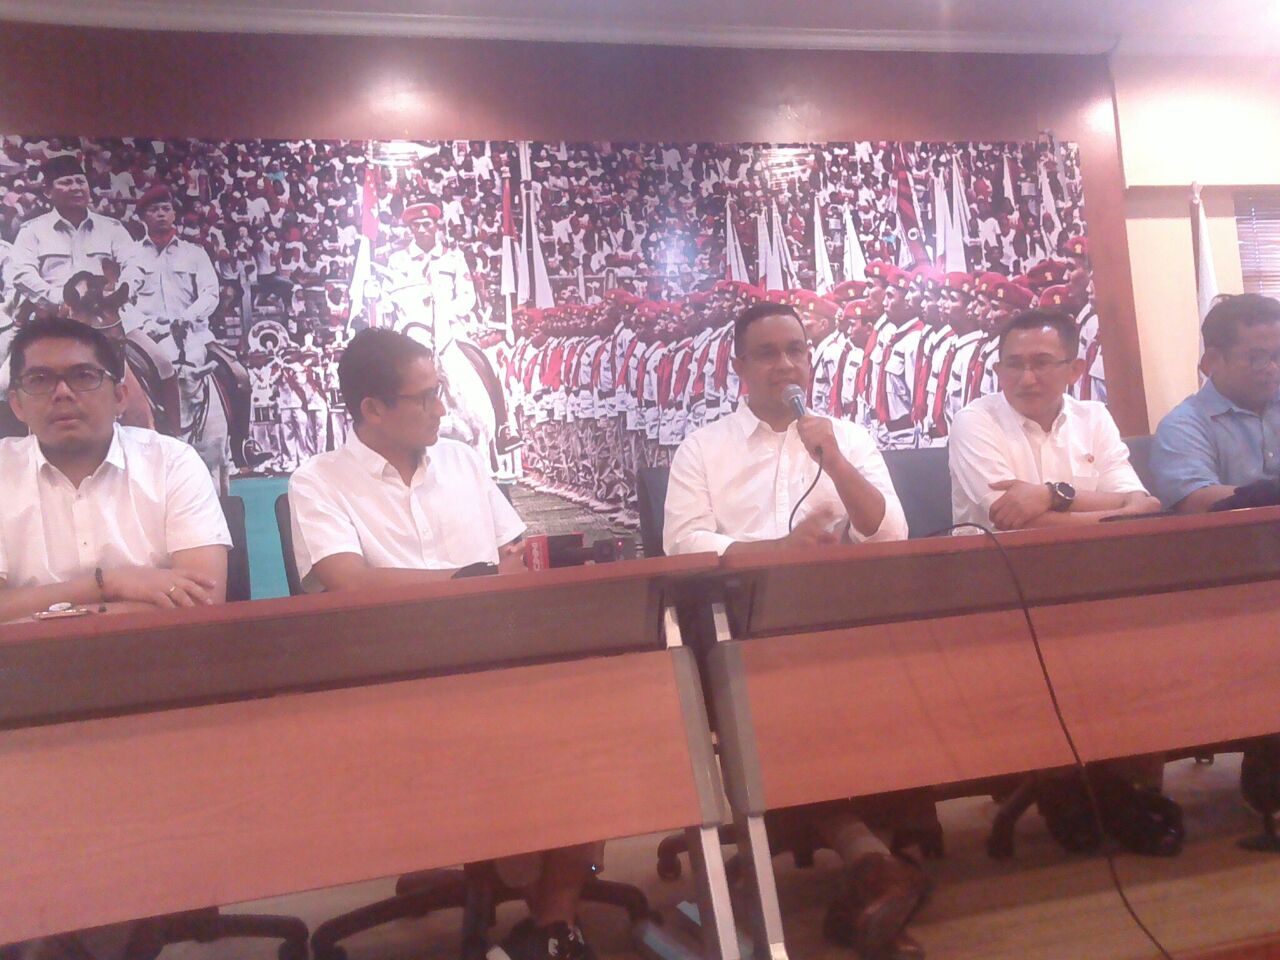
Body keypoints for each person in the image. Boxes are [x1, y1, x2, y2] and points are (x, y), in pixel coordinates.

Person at [288, 328, 597, 960]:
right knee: (513, 743)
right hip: (393, 679)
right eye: (425, 397)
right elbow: (350, 582)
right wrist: (469, 580)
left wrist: (501, 576)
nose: (441, 408)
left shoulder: (462, 461)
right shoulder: (318, 480)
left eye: (440, 392)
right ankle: (541, 908)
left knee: (594, 718)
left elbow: (513, 556)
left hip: (495, 661)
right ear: (373, 408)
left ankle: (553, 919)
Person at [664, 302, 927, 960]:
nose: (785, 364)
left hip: (834, 623)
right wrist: (776, 551)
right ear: (739, 367)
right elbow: (684, 544)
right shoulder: (704, 448)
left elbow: (890, 533)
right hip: (736, 631)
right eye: (767, 353)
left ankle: (873, 868)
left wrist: (832, 459)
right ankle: (872, 863)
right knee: (789, 703)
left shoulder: (845, 438)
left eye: (796, 350)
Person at [0, 315, 229, 625]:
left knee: (218, 372)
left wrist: (33, 615)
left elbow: (204, 601)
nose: (62, 392)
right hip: (29, 658)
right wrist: (107, 583)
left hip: (158, 653)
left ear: (120, 397)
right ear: (17, 405)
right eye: (40, 380)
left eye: (84, 376)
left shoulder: (172, 462)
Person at [949, 308, 1159, 531]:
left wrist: (1049, 496)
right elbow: (1013, 521)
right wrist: (1120, 513)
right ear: (998, 371)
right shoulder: (974, 421)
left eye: (1042, 363)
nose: (1027, 379)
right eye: (1014, 365)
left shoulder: (1094, 418)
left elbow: (1135, 498)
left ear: (1074, 370)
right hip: (998, 552)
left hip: (1097, 551)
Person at [1150, 294, 1280, 512]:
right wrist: (1269, 494)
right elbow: (1195, 500)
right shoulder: (1183, 426)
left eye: (1278, 356)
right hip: (1238, 533)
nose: (1273, 368)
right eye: (1257, 358)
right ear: (1213, 360)